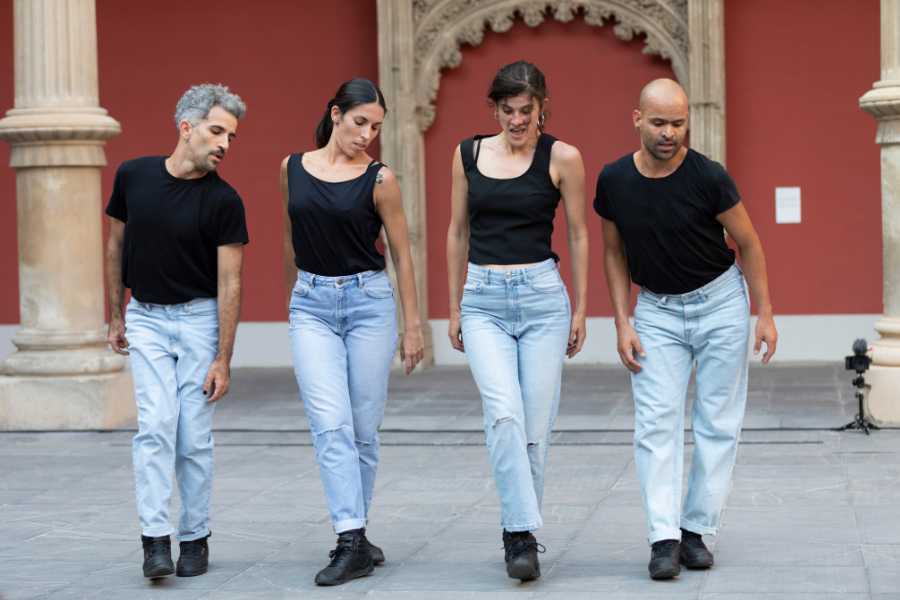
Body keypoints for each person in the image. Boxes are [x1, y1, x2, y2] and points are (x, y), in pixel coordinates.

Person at [596, 78, 778, 580]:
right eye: (659, 122)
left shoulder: (708, 176)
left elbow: (749, 242)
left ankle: (697, 530)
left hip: (720, 302)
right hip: (655, 309)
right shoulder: (613, 180)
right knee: (656, 424)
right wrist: (622, 321)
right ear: (637, 120)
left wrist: (763, 314)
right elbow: (613, 252)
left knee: (718, 422)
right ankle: (663, 538)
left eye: (678, 123)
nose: (670, 133)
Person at [446, 60, 589, 582]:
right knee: (503, 414)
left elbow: (578, 233)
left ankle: (520, 536)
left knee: (535, 425)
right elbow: (456, 232)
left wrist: (581, 307)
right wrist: (454, 304)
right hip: (483, 297)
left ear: (542, 107)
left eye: (526, 111)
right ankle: (520, 532)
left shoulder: (563, 157)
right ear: (495, 109)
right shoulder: (467, 154)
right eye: (507, 111)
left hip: (543, 299)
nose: (517, 120)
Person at [281, 78, 425, 586]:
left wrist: (413, 326)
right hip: (312, 306)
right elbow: (289, 237)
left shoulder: (380, 179)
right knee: (331, 424)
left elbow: (403, 255)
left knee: (363, 430)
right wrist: (293, 296)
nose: (368, 134)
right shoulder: (293, 168)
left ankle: (356, 535)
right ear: (335, 113)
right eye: (360, 122)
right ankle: (349, 537)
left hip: (368, 304)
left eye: (377, 127)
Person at [105, 83, 248, 579]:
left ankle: (195, 538)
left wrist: (222, 358)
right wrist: (115, 312)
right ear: (186, 128)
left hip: (198, 321)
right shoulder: (134, 177)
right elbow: (115, 246)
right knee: (155, 428)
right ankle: (154, 542)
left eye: (230, 136)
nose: (224, 144)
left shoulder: (225, 200)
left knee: (194, 438)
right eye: (216, 131)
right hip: (145, 317)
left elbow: (231, 282)